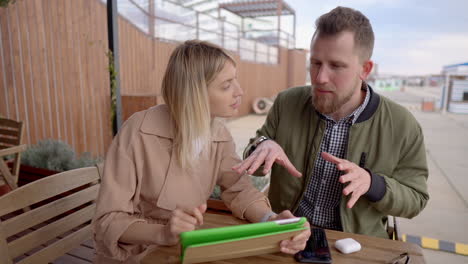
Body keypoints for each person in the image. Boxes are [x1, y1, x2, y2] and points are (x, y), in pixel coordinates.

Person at [93, 40, 310, 263]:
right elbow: (108, 220)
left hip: (185, 249)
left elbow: (239, 189)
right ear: (193, 94)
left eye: (235, 79)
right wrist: (163, 233)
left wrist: (271, 220)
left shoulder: (218, 133)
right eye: (226, 85)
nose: (239, 92)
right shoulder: (137, 132)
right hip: (135, 256)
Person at [233, 7, 429, 238]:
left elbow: (416, 199)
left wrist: (373, 183)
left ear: (365, 69)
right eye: (315, 63)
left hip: (355, 243)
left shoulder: (402, 126)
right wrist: (262, 145)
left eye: (336, 66)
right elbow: (253, 151)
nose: (319, 78)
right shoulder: (287, 102)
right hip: (286, 232)